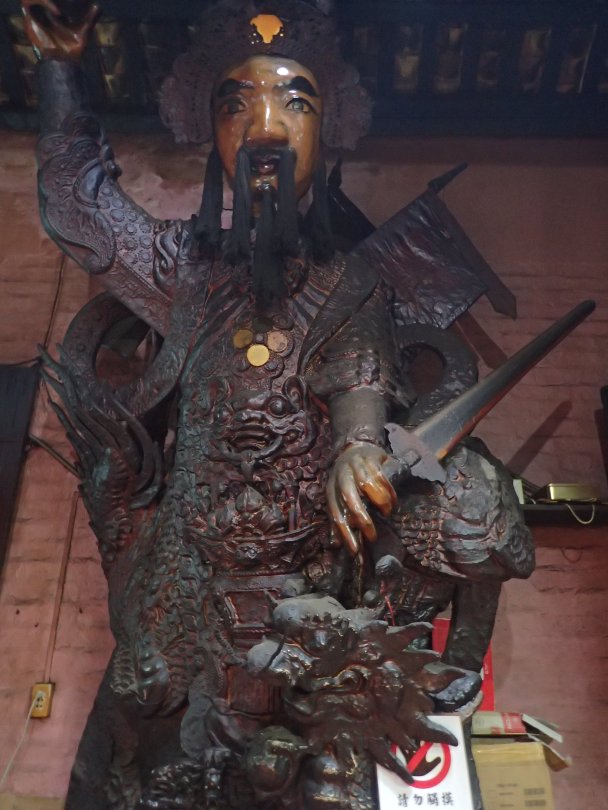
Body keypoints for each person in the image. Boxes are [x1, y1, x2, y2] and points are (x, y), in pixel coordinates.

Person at [23, 1, 533, 807]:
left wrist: (358, 446)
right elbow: (81, 209)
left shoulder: (349, 281)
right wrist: (60, 72)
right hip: (188, 575)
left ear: (327, 129)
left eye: (296, 101)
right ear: (212, 131)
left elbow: (359, 373)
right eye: (237, 104)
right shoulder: (180, 268)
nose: (265, 126)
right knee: (138, 742)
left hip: (312, 588)